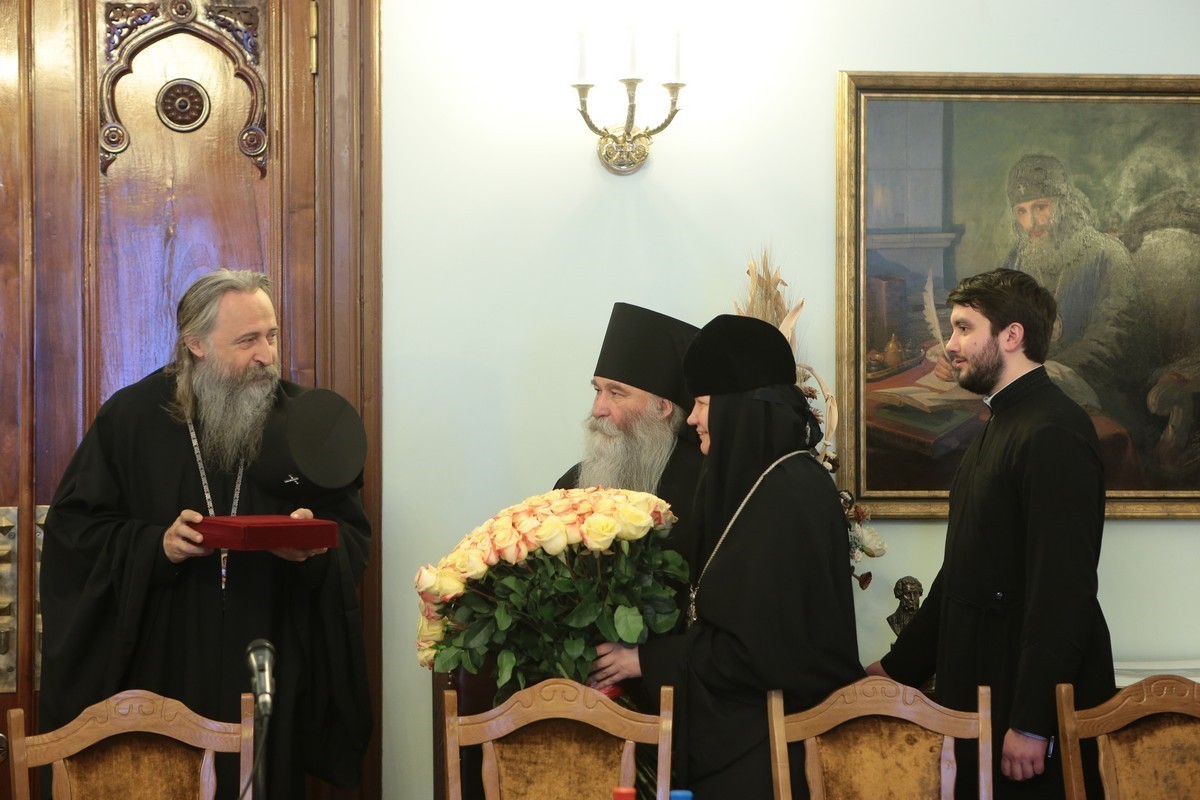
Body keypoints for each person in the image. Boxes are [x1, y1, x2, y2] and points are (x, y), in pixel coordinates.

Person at [39, 269, 372, 799]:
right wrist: (156, 546)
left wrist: (313, 546)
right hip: (164, 666)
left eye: (272, 336)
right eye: (247, 340)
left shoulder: (304, 421)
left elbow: (351, 537)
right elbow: (73, 535)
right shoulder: (131, 418)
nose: (266, 355)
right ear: (195, 344)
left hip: (268, 657)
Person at [589, 314, 864, 799]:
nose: (692, 419)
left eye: (701, 403)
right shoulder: (770, 483)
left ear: (740, 408)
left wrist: (647, 660)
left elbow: (763, 651)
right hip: (748, 741)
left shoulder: (788, 495)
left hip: (771, 755)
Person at [867, 268, 1115, 799]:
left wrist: (1032, 723)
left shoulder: (1053, 430)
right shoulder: (1002, 422)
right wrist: (894, 669)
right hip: (982, 682)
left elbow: (1062, 589)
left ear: (1011, 335)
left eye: (963, 328)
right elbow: (964, 571)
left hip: (1021, 700)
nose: (950, 345)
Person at [1000, 154, 1153, 458]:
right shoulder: (1018, 259)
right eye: (1022, 211)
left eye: (1041, 207)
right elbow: (1000, 323)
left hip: (1105, 400)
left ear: (1065, 204)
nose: (1031, 223)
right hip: (1031, 394)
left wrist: (1050, 372)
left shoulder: (1108, 255)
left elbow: (1112, 341)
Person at [555, 302, 704, 570]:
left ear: (662, 408)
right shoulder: (570, 485)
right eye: (598, 391)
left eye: (616, 393)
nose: (598, 409)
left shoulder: (705, 490)